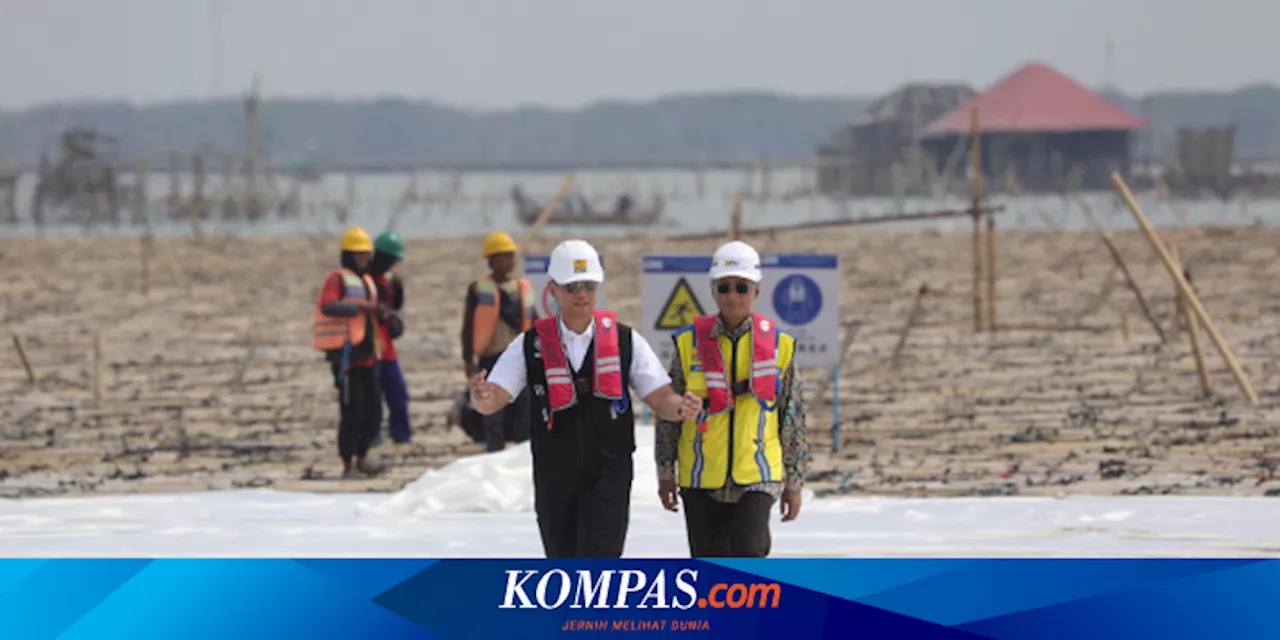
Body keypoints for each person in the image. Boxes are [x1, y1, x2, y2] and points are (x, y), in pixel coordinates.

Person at [469, 239, 702, 558]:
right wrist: (482, 397)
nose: (582, 293)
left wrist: (681, 408)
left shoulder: (624, 340)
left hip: (609, 472)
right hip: (554, 476)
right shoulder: (530, 344)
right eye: (572, 285)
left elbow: (660, 396)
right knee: (562, 562)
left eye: (589, 285)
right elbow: (494, 397)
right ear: (554, 290)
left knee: (600, 560)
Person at [655, 240, 809, 557]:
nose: (733, 295)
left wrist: (794, 482)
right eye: (724, 287)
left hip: (757, 475)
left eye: (741, 287)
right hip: (700, 476)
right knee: (709, 565)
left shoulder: (781, 346)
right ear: (713, 291)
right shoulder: (687, 344)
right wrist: (665, 473)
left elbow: (792, 418)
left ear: (756, 291)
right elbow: (668, 412)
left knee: (751, 550)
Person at [312, 226, 388, 479]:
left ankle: (363, 458)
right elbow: (328, 305)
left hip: (369, 355)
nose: (365, 259)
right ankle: (348, 464)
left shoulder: (368, 281)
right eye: (359, 254)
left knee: (373, 411)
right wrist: (363, 307)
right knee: (351, 412)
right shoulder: (337, 279)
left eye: (367, 254)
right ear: (347, 255)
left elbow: (373, 315)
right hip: (347, 356)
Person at [461, 231, 537, 451]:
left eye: (510, 256)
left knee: (524, 407)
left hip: (518, 357)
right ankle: (495, 452)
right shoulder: (478, 288)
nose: (508, 261)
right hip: (491, 358)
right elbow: (468, 326)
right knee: (492, 411)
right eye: (502, 256)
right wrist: (468, 359)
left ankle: (523, 453)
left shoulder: (523, 288)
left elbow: (535, 321)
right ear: (491, 260)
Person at [369, 230, 411, 444]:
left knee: (398, 395)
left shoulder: (391, 283)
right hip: (367, 349)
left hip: (386, 350)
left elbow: (397, 314)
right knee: (371, 399)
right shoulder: (364, 279)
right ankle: (372, 437)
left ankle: (401, 436)